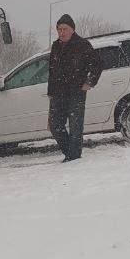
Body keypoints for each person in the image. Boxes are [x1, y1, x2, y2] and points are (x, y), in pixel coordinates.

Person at [47, 14, 102, 161]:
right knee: (54, 125)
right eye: (59, 29)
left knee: (75, 126)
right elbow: (51, 70)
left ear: (72, 30)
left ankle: (74, 157)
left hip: (76, 92)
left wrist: (89, 82)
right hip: (58, 93)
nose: (61, 32)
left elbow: (97, 64)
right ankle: (70, 153)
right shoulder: (55, 46)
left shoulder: (82, 45)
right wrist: (50, 91)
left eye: (64, 29)